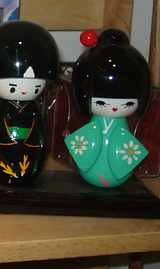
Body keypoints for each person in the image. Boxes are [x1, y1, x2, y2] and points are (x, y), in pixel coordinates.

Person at [65, 29, 151, 187]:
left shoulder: (120, 128)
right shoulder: (96, 126)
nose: (115, 109)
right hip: (91, 167)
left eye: (128, 104)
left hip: (117, 168)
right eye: (101, 103)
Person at [0, 20, 59, 186]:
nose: (23, 91)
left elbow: (40, 136)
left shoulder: (32, 109)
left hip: (29, 150)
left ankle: (26, 174)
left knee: (29, 157)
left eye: (36, 86)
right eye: (13, 86)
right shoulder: (1, 108)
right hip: (2, 150)